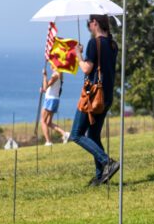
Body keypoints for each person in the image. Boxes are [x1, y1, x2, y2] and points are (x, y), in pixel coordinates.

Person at [70, 14, 120, 185]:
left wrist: (78, 54)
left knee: (76, 134)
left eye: (89, 23)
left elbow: (86, 68)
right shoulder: (113, 44)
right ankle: (101, 177)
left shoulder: (94, 43)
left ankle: (107, 162)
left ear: (95, 23)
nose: (88, 26)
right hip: (106, 96)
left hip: (93, 96)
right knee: (93, 134)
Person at [39, 68, 71, 146]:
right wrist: (44, 90)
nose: (51, 66)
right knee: (48, 122)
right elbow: (48, 88)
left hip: (50, 100)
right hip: (55, 99)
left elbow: (46, 86)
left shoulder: (55, 75)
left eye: (52, 64)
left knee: (43, 121)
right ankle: (65, 134)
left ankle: (48, 141)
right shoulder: (59, 75)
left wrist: (45, 76)